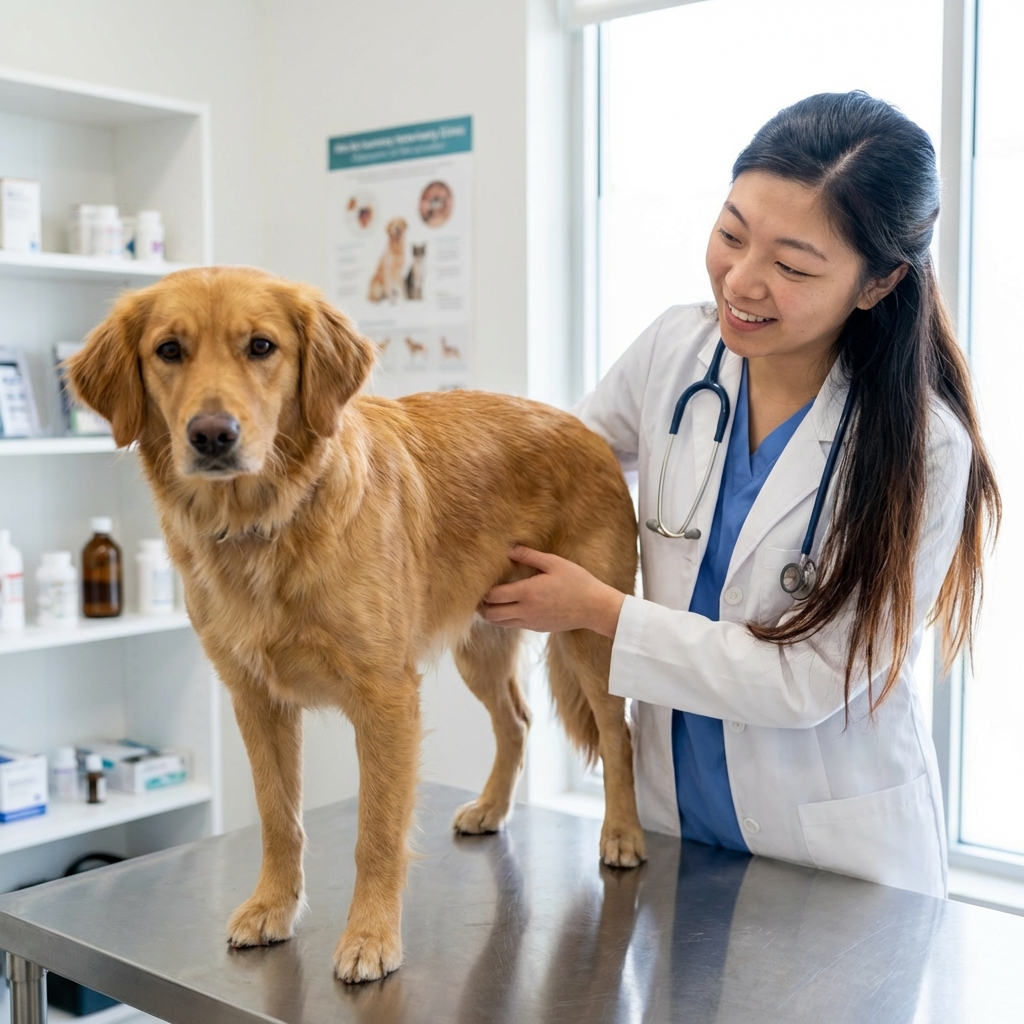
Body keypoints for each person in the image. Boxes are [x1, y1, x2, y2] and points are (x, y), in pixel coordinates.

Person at [480, 91, 1000, 898]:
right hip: (672, 828)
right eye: (731, 234)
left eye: (792, 266)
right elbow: (557, 464)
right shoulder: (674, 351)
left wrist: (598, 610)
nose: (742, 282)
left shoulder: (925, 448)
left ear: (878, 283)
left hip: (836, 863)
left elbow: (805, 681)